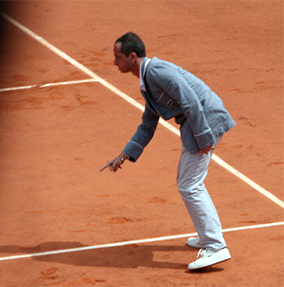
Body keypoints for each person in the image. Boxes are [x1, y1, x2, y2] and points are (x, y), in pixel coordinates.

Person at [101, 32, 236, 270]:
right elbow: (147, 125)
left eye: (117, 57)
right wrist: (123, 155)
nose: (114, 62)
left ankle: (216, 246)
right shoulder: (147, 81)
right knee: (188, 182)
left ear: (132, 57)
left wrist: (204, 136)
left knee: (190, 184)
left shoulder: (156, 72)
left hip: (206, 121)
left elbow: (191, 100)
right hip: (199, 123)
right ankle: (208, 238)